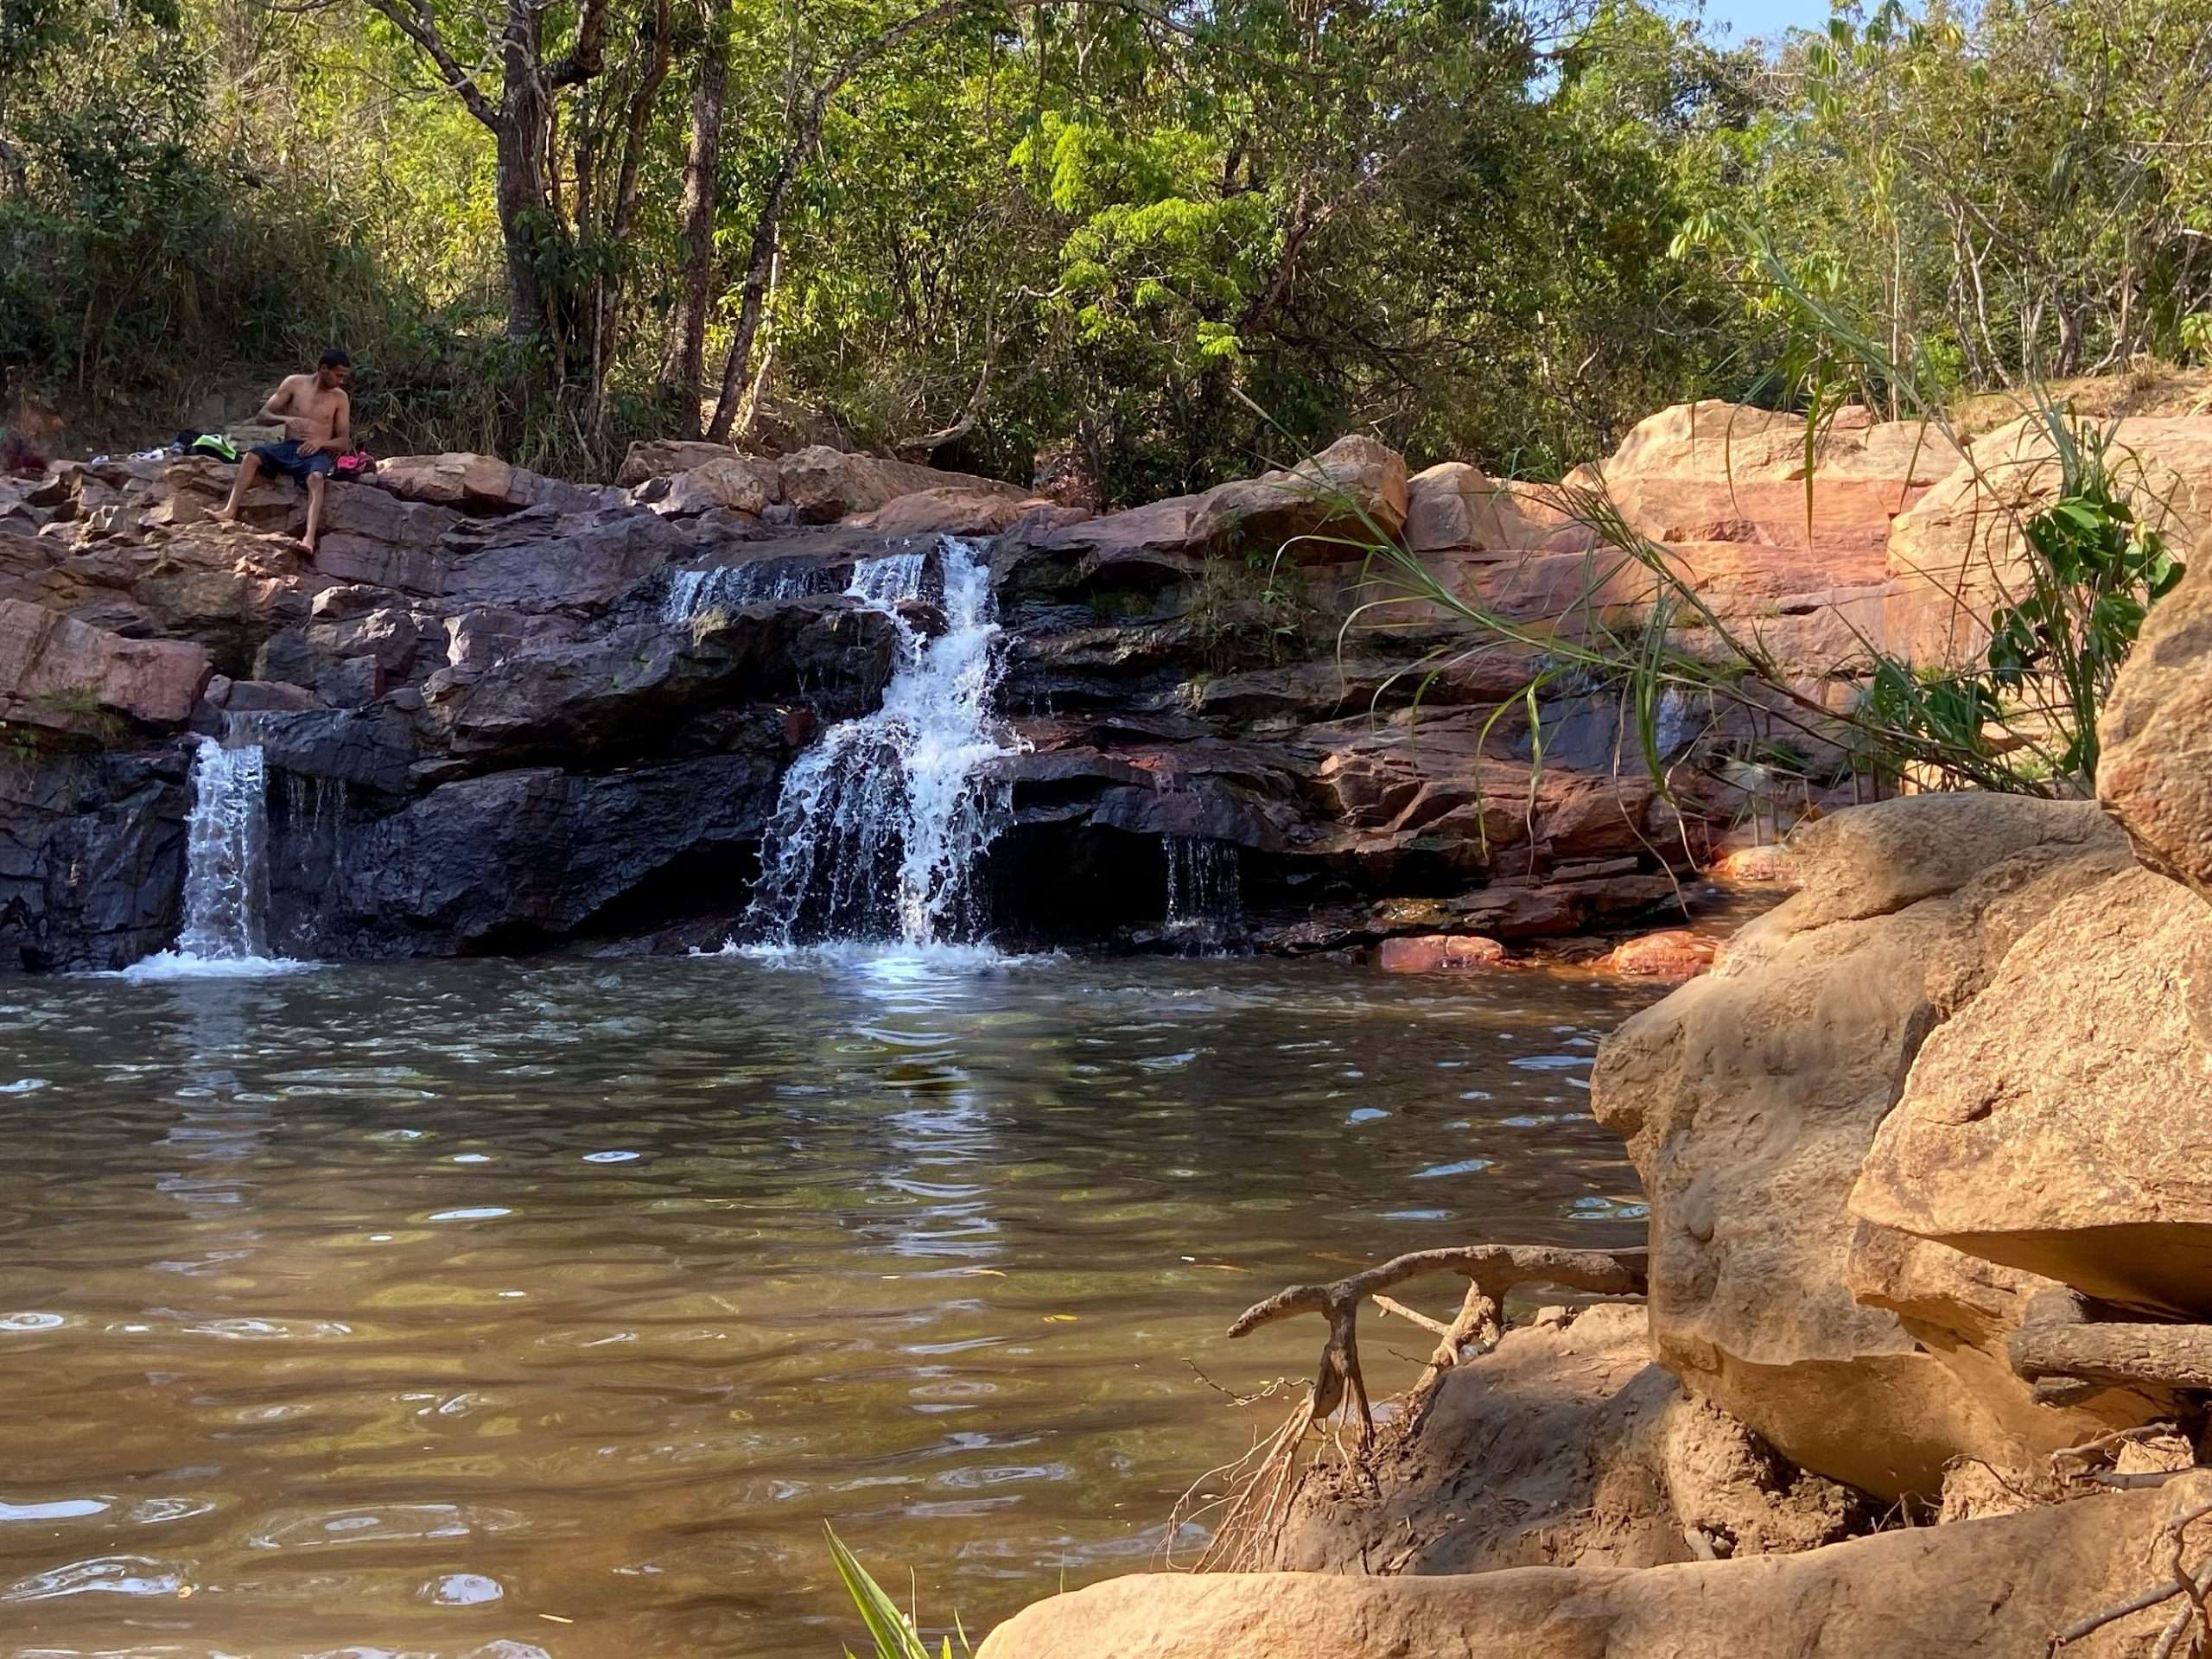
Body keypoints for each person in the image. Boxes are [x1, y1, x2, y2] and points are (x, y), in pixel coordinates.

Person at [208, 349, 353, 554]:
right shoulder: (294, 383)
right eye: (339, 375)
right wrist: (285, 419)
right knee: (251, 456)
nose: (342, 381)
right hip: (288, 447)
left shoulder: (340, 398)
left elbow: (343, 443)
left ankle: (309, 539)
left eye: (344, 377)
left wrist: (321, 442)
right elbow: (263, 415)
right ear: (323, 369)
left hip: (316, 454)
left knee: (316, 478)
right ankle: (229, 510)